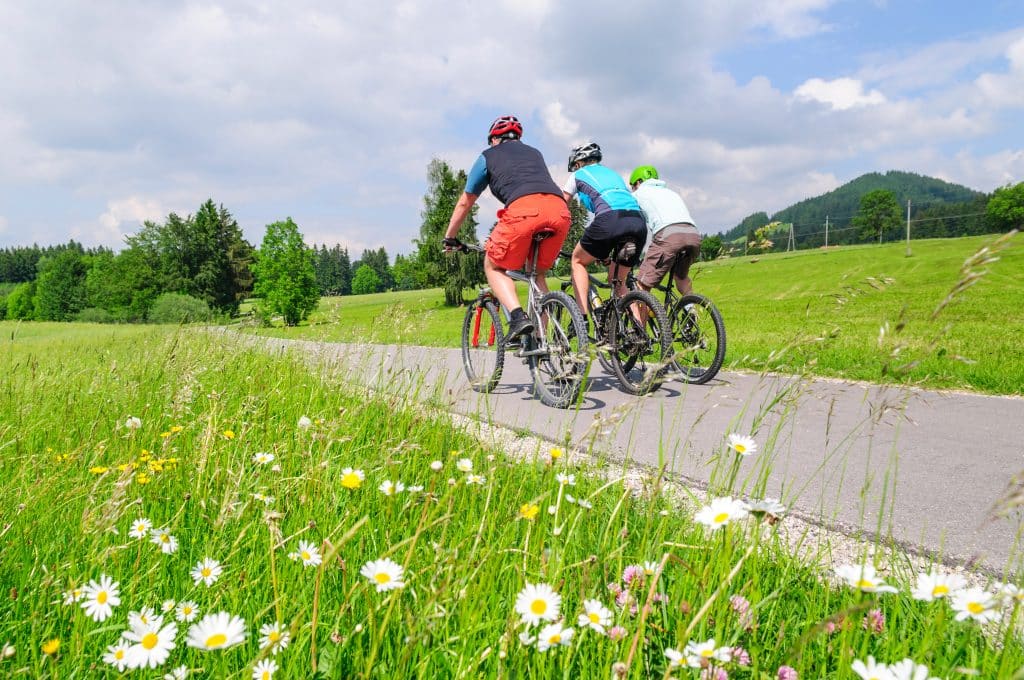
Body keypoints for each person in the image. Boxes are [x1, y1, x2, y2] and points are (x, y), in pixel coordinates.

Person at [443, 115, 571, 343]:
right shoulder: (535, 153)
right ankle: (542, 341)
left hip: (524, 211)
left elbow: (466, 201)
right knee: (537, 273)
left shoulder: (487, 156)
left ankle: (517, 318)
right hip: (559, 210)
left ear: (494, 139)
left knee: (494, 265)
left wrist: (450, 237)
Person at [561, 142, 648, 326]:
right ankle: (639, 331)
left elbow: (561, 206)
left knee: (577, 261)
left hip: (610, 219)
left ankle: (581, 319)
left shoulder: (578, 174)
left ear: (578, 163)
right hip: (637, 221)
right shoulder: (613, 174)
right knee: (618, 281)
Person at [629, 165, 702, 296]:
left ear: (638, 182)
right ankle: (691, 311)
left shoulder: (638, 194)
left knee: (642, 284)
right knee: (681, 277)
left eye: (633, 185)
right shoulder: (671, 192)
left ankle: (640, 317)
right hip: (693, 234)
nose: (632, 189)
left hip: (669, 235)